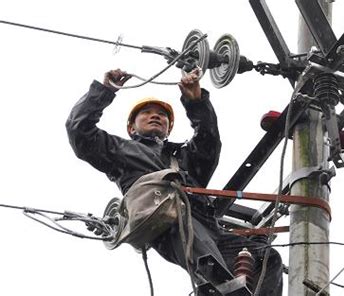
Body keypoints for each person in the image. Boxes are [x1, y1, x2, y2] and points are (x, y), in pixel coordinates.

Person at [66, 68, 283, 295]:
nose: (155, 116)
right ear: (131, 128)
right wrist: (106, 90)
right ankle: (224, 289)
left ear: (169, 128)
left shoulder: (183, 158)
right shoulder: (120, 151)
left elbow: (209, 142)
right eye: (147, 113)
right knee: (213, 267)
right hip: (165, 220)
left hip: (209, 226)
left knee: (266, 256)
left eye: (162, 115)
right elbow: (79, 131)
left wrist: (195, 101)